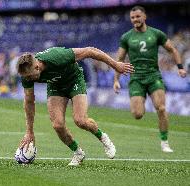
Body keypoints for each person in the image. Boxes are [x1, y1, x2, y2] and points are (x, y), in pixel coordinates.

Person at [16, 47, 134, 166]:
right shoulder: (27, 74)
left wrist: (115, 65)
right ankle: (78, 153)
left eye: (30, 77)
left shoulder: (57, 56)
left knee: (80, 120)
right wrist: (29, 131)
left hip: (74, 80)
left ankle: (103, 138)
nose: (28, 79)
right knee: (57, 125)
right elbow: (29, 102)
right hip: (56, 86)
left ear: (37, 67)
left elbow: (90, 51)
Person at [113, 6, 187, 153]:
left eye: (138, 17)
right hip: (136, 78)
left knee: (161, 108)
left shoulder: (156, 34)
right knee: (137, 114)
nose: (135, 20)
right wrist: (116, 79)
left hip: (153, 76)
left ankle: (164, 142)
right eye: (133, 17)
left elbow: (172, 49)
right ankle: (141, 98)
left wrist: (180, 67)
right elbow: (119, 59)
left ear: (144, 17)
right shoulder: (126, 37)